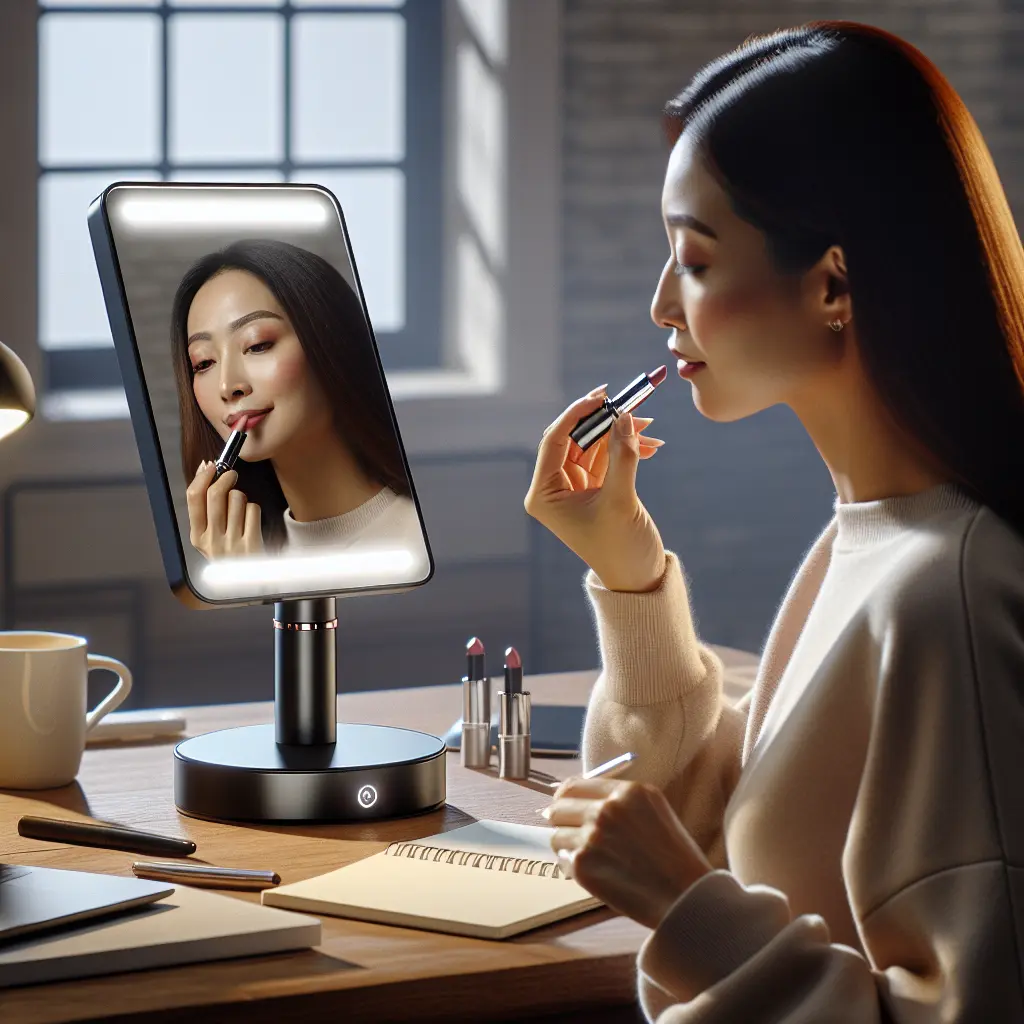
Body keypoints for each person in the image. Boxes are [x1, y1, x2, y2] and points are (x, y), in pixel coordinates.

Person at [527, 20, 1024, 1022]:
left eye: (696, 260)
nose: (663, 303)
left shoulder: (955, 590)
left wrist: (681, 903)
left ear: (833, 282)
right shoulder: (873, 535)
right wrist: (631, 583)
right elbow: (739, 823)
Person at [169, 238, 424, 563]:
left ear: (329, 343)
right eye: (203, 363)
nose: (227, 385)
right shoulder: (247, 556)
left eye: (257, 344)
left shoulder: (417, 543)